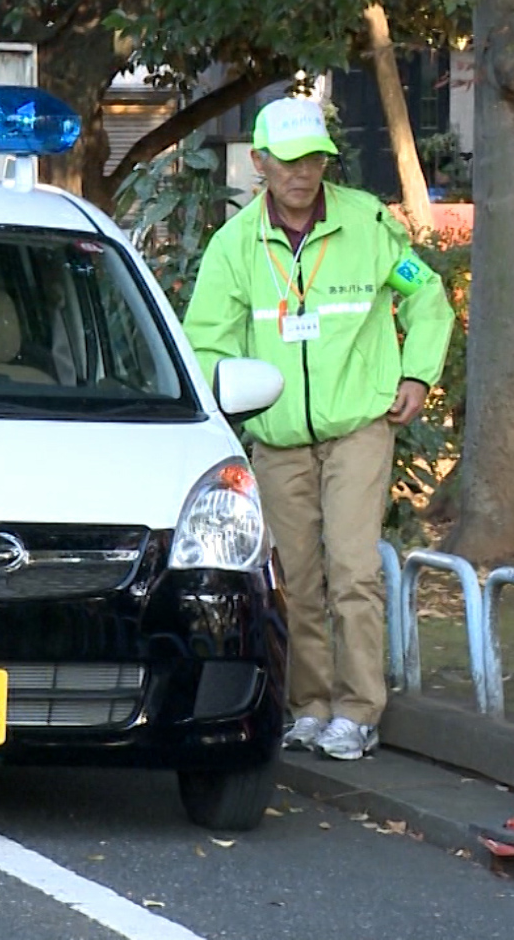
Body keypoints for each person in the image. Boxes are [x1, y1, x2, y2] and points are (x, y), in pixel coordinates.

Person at [181, 96, 453, 761]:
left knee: (354, 569)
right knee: (295, 577)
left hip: (359, 423)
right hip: (276, 435)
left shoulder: (368, 223)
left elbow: (426, 295)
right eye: (288, 160)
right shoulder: (234, 245)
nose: (302, 173)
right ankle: (309, 705)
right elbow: (205, 341)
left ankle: (359, 711)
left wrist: (417, 373)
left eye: (314, 159)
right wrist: (230, 403)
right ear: (261, 161)